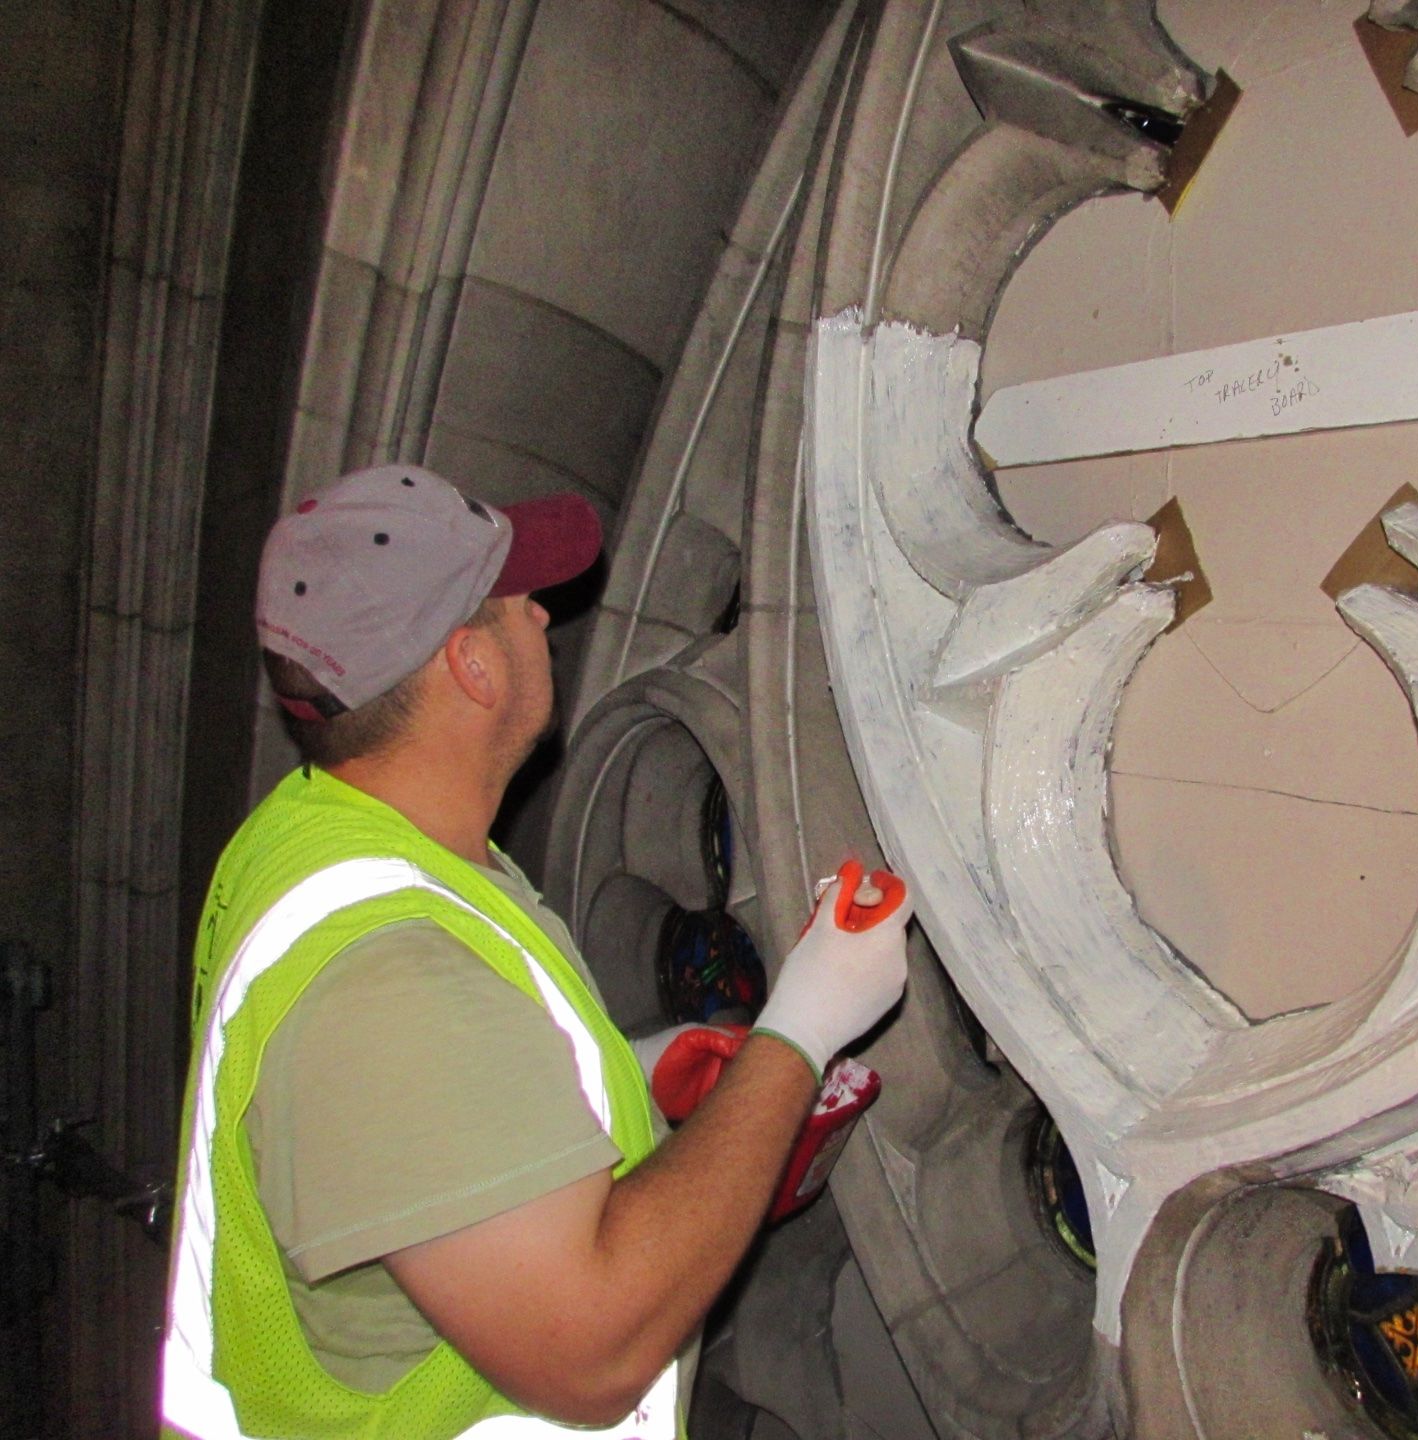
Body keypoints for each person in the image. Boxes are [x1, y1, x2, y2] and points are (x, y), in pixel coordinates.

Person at [160, 464, 911, 1440]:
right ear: (472, 666)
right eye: (517, 598)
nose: (544, 615)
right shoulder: (384, 986)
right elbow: (591, 1356)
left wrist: (626, 1076)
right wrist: (805, 1024)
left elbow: (424, 1121)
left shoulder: (326, 835)